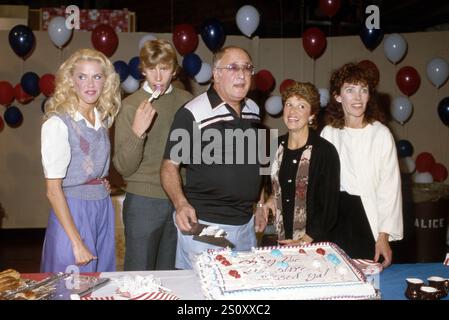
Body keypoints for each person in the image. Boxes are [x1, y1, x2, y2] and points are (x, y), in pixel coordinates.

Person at [160, 46, 265, 269]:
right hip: (207, 224)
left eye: (247, 68)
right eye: (233, 67)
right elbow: (169, 166)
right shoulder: (192, 112)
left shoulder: (254, 109)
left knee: (243, 290)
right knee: (206, 291)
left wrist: (262, 202)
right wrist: (180, 204)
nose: (241, 74)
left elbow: (258, 161)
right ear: (216, 74)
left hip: (246, 226)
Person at [113, 39, 192, 271]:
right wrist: (138, 133)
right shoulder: (130, 106)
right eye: (151, 69)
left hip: (180, 198)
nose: (158, 76)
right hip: (143, 202)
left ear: (174, 70)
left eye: (164, 68)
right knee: (139, 275)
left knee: (172, 277)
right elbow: (123, 168)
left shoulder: (186, 101)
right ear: (143, 69)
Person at [40, 48, 121, 272]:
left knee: (100, 284)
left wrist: (99, 181)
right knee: (70, 287)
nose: (90, 84)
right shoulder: (57, 124)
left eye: (97, 76)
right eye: (82, 76)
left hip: (102, 208)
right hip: (73, 211)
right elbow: (53, 191)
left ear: (106, 82)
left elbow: (93, 168)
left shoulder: (101, 120)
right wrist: (76, 241)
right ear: (70, 81)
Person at [320, 62, 403, 267]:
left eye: (363, 90)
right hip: (334, 220)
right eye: (350, 90)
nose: (357, 98)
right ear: (338, 96)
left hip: (367, 219)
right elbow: (317, 187)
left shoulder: (381, 134)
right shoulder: (328, 133)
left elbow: (389, 190)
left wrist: (383, 237)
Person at [258, 82, 340, 245]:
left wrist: (304, 240)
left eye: (301, 106)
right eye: (289, 104)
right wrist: (264, 202)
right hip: (278, 239)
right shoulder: (273, 146)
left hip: (312, 244)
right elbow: (263, 182)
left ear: (312, 114)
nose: (292, 111)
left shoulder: (325, 151)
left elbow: (329, 209)